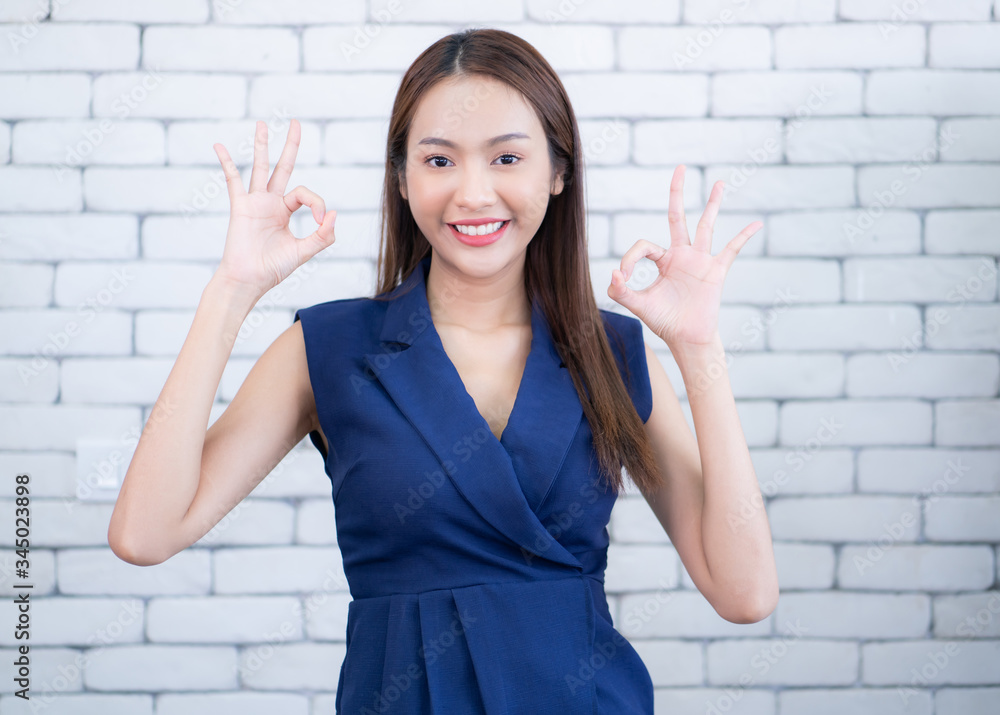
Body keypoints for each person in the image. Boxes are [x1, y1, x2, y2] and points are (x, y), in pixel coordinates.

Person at [109, 28, 778, 714]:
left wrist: (699, 348)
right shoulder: (330, 347)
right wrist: (232, 290)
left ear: (557, 172)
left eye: (507, 157)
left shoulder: (612, 351)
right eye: (439, 160)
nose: (473, 193)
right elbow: (144, 534)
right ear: (402, 178)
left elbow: (744, 591)